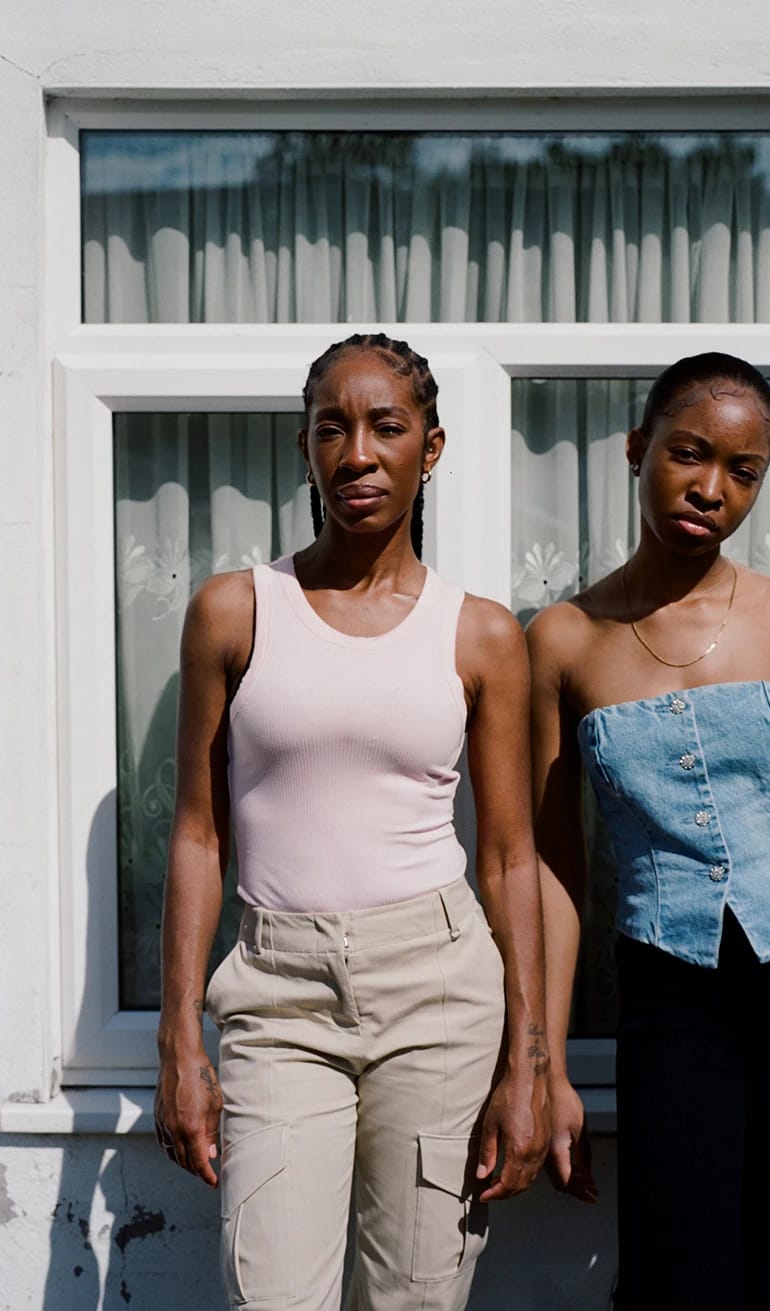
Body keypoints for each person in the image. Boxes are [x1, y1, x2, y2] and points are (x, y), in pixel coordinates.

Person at [153, 332, 549, 1311]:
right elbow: (200, 835)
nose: (358, 453)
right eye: (332, 427)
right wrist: (178, 1041)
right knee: (270, 1294)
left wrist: (531, 1062)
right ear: (305, 447)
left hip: (439, 989)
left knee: (416, 1298)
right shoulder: (235, 612)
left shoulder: (482, 633)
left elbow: (508, 857)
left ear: (434, 446)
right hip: (277, 996)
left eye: (386, 426)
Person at [527, 353, 770, 1309]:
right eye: (688, 453)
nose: (711, 488)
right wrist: (547, 1060)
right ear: (635, 448)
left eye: (743, 470)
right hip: (668, 993)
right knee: (668, 1279)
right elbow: (554, 868)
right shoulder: (563, 640)